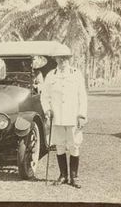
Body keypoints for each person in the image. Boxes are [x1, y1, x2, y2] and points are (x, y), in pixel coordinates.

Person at [41, 55, 87, 189]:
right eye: (60, 59)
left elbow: (82, 96)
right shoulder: (51, 75)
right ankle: (63, 175)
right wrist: (47, 110)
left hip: (73, 116)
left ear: (69, 59)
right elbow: (45, 96)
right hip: (57, 117)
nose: (63, 61)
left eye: (65, 58)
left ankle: (74, 177)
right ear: (56, 60)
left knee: (74, 145)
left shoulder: (76, 74)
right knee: (59, 145)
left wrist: (82, 115)